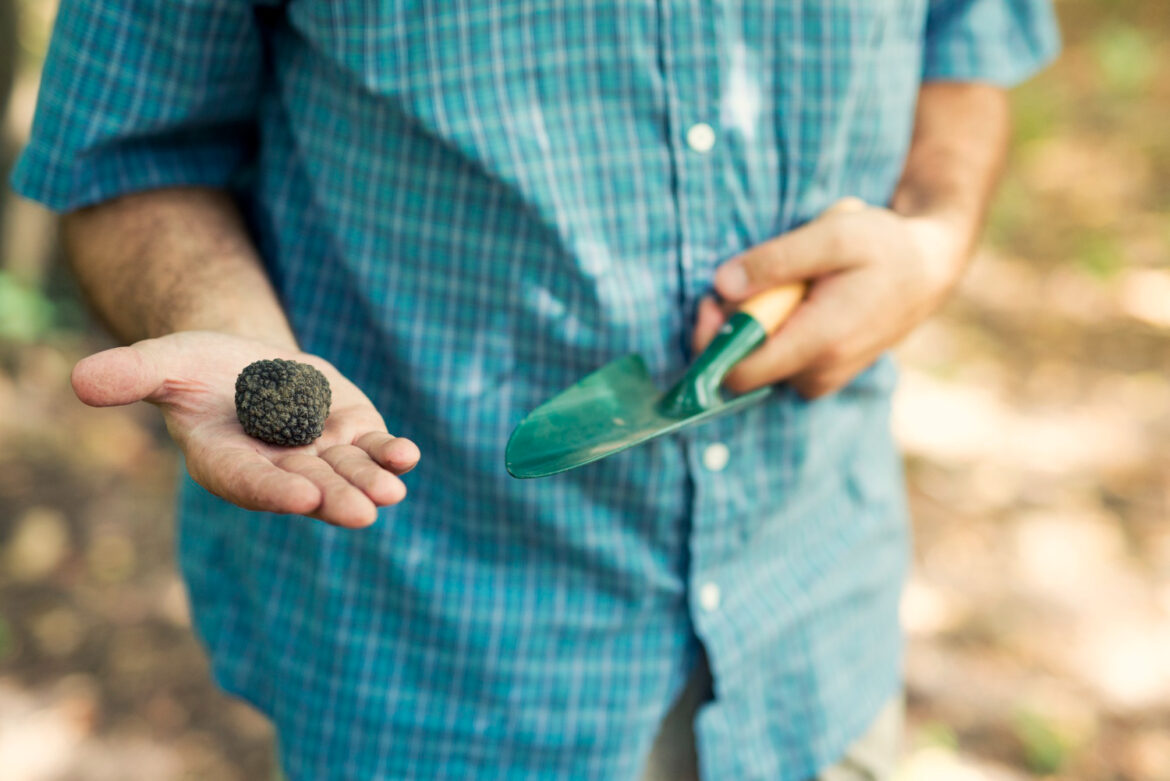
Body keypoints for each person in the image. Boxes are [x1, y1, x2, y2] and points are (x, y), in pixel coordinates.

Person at [12, 2, 1059, 779]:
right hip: (438, 661)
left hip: (815, 622)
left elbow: (969, 50)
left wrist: (931, 236)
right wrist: (237, 338)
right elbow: (129, 151)